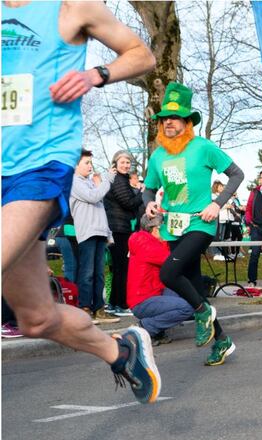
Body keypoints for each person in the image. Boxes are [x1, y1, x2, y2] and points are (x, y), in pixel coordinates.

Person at [1, 0, 159, 404]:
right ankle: (120, 351)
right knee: (37, 318)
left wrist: (96, 74)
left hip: (39, 166)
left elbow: (142, 55)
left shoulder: (71, 8)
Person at [143, 82, 243, 366]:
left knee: (169, 273)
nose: (168, 123)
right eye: (164, 119)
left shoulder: (203, 147)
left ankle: (202, 312)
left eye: (174, 119)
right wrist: (148, 202)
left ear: (187, 122)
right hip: (172, 226)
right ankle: (222, 340)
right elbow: (148, 189)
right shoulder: (158, 155)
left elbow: (237, 174)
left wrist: (217, 203)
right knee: (196, 287)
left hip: (201, 223)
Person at [69, 150, 120, 325]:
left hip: (99, 232)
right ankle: (85, 309)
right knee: (87, 273)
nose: (90, 166)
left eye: (91, 162)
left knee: (99, 273)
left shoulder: (91, 183)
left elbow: (100, 211)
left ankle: (99, 309)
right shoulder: (74, 182)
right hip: (87, 232)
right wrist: (106, 180)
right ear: (75, 165)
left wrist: (108, 234)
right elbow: (94, 197)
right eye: (86, 163)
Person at [128, 213, 194, 348]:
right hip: (143, 300)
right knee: (187, 307)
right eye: (164, 227)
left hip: (150, 295)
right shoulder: (146, 243)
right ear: (156, 229)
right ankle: (145, 328)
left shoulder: (147, 240)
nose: (167, 231)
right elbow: (173, 261)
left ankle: (157, 332)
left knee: (176, 284)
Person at [104, 150, 143, 316]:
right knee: (122, 267)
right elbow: (128, 202)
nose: (126, 165)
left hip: (119, 227)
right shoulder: (119, 180)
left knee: (119, 267)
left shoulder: (121, 179)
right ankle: (121, 304)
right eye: (122, 162)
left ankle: (114, 303)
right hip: (119, 228)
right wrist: (141, 192)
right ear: (115, 164)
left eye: (128, 162)